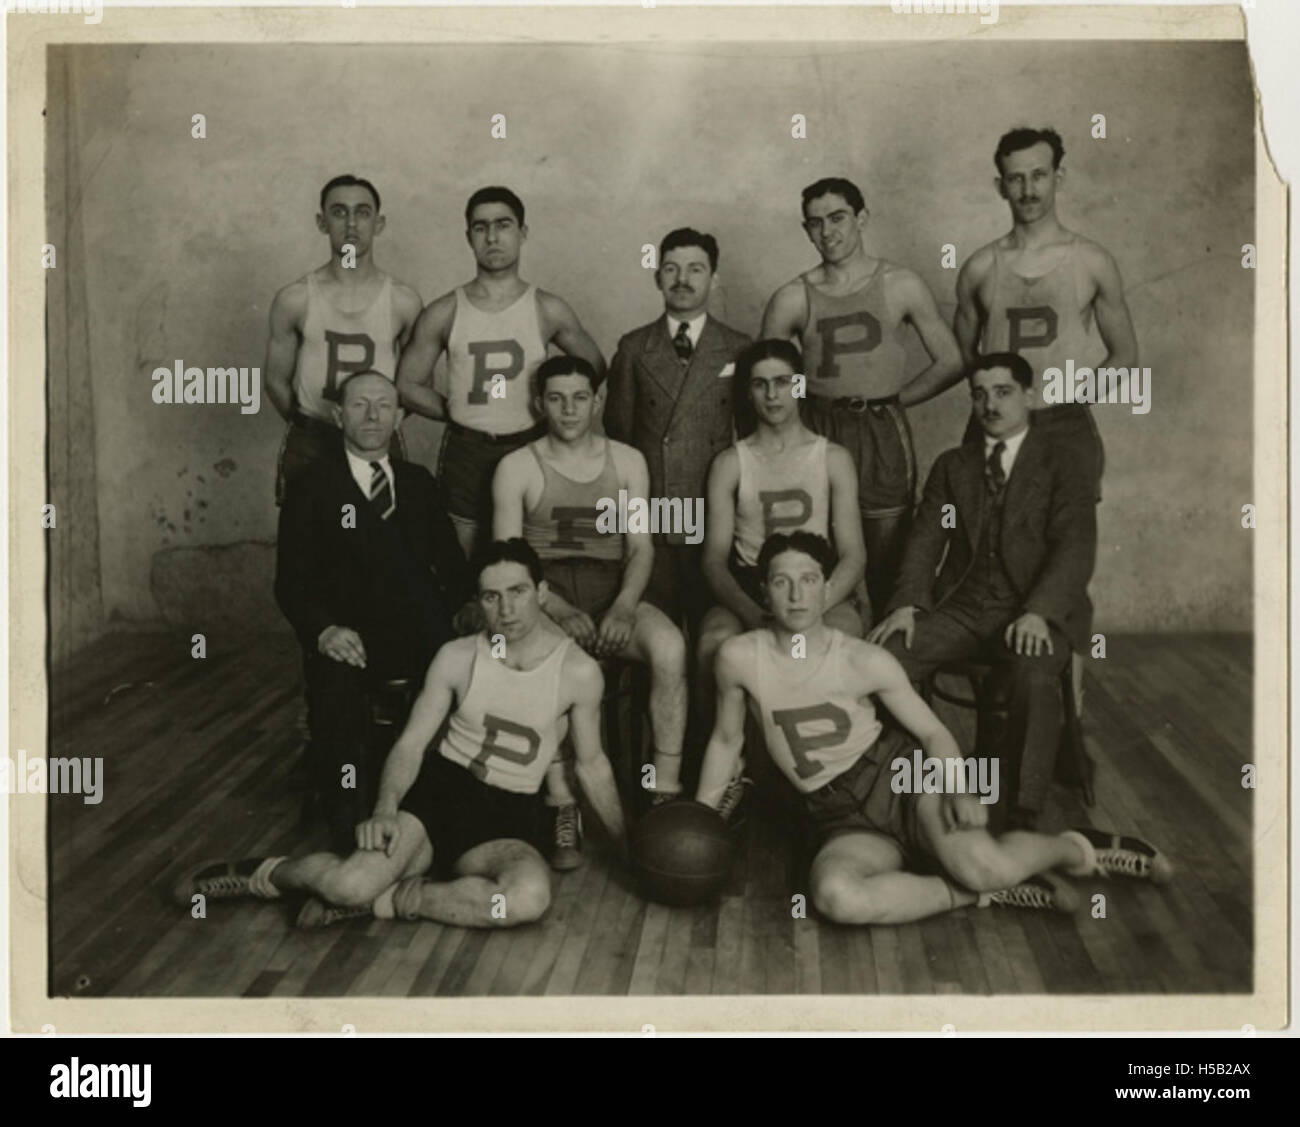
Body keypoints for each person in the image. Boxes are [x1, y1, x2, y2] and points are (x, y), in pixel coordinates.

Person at [697, 531, 1172, 924]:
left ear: (827, 588)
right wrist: (699, 819)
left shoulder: (863, 659)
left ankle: (1077, 849)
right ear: (763, 591)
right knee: (837, 898)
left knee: (987, 867)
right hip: (836, 815)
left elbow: (932, 734)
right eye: (781, 582)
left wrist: (962, 792)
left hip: (902, 782)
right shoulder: (738, 658)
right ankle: (971, 892)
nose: (796, 595)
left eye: (808, 580)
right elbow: (726, 739)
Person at [175, 539, 627, 930]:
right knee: (346, 883)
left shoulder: (579, 672)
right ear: (478, 601)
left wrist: (629, 845)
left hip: (509, 818)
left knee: (526, 899)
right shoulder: (455, 656)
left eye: (518, 592)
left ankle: (389, 900)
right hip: (440, 797)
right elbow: (411, 743)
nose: (506, 610)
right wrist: (386, 809)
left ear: (542, 593)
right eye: (491, 597)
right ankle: (263, 874)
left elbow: (591, 764)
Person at [868, 353, 1096, 831]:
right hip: (964, 606)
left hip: (1034, 609)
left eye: (1003, 391)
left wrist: (1039, 612)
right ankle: (910, 794)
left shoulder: (1065, 464)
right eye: (979, 393)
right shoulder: (954, 466)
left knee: (1033, 676)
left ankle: (1020, 811)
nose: (989, 404)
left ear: (1029, 397)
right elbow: (926, 538)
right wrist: (909, 603)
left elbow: (1074, 549)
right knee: (887, 656)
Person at [954, 127, 1138, 711]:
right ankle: (1004, 683)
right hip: (995, 428)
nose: (1028, 188)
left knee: (1067, 555)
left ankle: (1069, 701)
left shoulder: (1091, 260)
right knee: (985, 551)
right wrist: (1000, 407)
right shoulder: (982, 266)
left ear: (1060, 176)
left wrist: (1067, 390)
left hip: (1063, 427)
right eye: (1016, 177)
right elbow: (966, 358)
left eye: (1039, 175)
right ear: (999, 184)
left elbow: (1127, 356)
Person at [493, 355, 690, 856]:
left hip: (612, 586)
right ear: (539, 403)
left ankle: (663, 789)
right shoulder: (516, 466)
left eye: (581, 397)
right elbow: (507, 563)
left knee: (669, 648)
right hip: (543, 594)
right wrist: (555, 609)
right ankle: (562, 802)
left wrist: (624, 606)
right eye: (556, 398)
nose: (569, 409)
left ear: (598, 400)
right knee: (547, 665)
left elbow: (641, 547)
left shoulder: (627, 461)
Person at [273, 370, 473, 853]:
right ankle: (349, 821)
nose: (372, 415)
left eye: (384, 405)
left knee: (467, 682)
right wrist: (323, 631)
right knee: (337, 695)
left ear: (401, 416)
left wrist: (466, 619)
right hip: (349, 635)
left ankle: (439, 813)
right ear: (339, 415)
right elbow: (291, 581)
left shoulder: (418, 482)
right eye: (360, 405)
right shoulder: (312, 485)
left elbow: (452, 567)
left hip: (420, 632)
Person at [761, 177, 963, 618]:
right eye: (815, 223)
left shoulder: (901, 284)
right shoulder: (791, 297)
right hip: (816, 427)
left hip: (880, 431)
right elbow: (764, 380)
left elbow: (951, 360)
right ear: (805, 229)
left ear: (862, 218)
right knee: (813, 542)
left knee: (888, 552)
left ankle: (890, 672)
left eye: (838, 218)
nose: (827, 232)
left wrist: (893, 402)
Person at [694, 339, 867, 810]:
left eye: (783, 383)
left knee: (847, 637)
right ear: (748, 393)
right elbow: (713, 558)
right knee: (714, 641)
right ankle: (731, 773)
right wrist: (756, 613)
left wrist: (817, 606)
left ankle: (840, 777)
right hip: (754, 585)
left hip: (817, 587)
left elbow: (853, 554)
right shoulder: (731, 462)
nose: (773, 395)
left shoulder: (832, 458)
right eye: (760, 384)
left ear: (801, 386)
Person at [396, 186, 605, 557]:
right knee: (461, 563)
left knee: (532, 556)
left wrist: (555, 410)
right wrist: (456, 410)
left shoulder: (548, 308)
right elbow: (407, 384)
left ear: (523, 233)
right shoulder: (444, 310)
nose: (492, 237)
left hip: (531, 443)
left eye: (503, 225)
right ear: (468, 238)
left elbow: (594, 368)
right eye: (480, 227)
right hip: (467, 451)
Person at [603, 227, 751, 632]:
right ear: (657, 277)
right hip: (657, 509)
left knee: (711, 627)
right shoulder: (634, 348)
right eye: (671, 268)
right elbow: (619, 438)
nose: (682, 279)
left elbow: (752, 441)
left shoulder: (739, 347)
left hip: (716, 509)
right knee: (658, 627)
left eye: (695, 269)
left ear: (714, 278)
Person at [265, 174, 423, 504]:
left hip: (377, 437)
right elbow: (275, 381)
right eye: (339, 212)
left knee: (379, 541)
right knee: (306, 544)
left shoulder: (403, 301)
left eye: (362, 212)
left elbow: (416, 381)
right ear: (322, 222)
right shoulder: (295, 298)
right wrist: (310, 425)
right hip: (313, 438)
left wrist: (375, 424)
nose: (351, 224)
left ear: (378, 223)